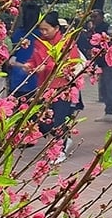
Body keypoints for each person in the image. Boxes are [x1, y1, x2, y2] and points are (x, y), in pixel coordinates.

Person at [22, 11, 82, 163]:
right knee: (42, 122)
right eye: (41, 29)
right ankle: (65, 138)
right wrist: (30, 65)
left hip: (62, 88)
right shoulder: (38, 42)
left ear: (56, 28)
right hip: (43, 87)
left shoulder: (67, 43)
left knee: (58, 121)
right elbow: (34, 60)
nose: (43, 32)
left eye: (46, 29)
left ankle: (60, 150)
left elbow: (71, 62)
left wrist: (46, 67)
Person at [85, 9, 112, 123]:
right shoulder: (92, 30)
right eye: (91, 17)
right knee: (104, 87)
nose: (93, 19)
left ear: (102, 17)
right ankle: (108, 110)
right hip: (100, 62)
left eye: (95, 17)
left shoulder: (108, 28)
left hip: (110, 61)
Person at [7, 2, 40, 100]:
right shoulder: (41, 35)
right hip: (36, 78)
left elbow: (11, 59)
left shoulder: (18, 34)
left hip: (18, 79)